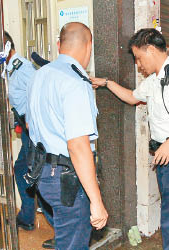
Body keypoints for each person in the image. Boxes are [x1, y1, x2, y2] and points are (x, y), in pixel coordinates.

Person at [92, 28, 169, 250]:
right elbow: (132, 97)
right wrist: (106, 83)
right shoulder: (155, 79)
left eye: (139, 58)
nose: (138, 64)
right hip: (167, 155)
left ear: (151, 50)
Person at [27, 22, 108, 249]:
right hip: (67, 179)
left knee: (65, 238)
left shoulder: (39, 75)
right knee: (73, 243)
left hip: (42, 173)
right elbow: (78, 146)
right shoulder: (75, 82)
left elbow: (28, 121)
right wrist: (96, 201)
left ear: (58, 45)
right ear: (89, 45)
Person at [3, 32, 55, 249]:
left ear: (5, 46)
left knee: (37, 175)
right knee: (22, 167)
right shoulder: (8, 69)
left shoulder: (22, 67)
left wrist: (32, 122)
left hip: (33, 128)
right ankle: (27, 217)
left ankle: (60, 228)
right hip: (26, 127)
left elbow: (41, 93)